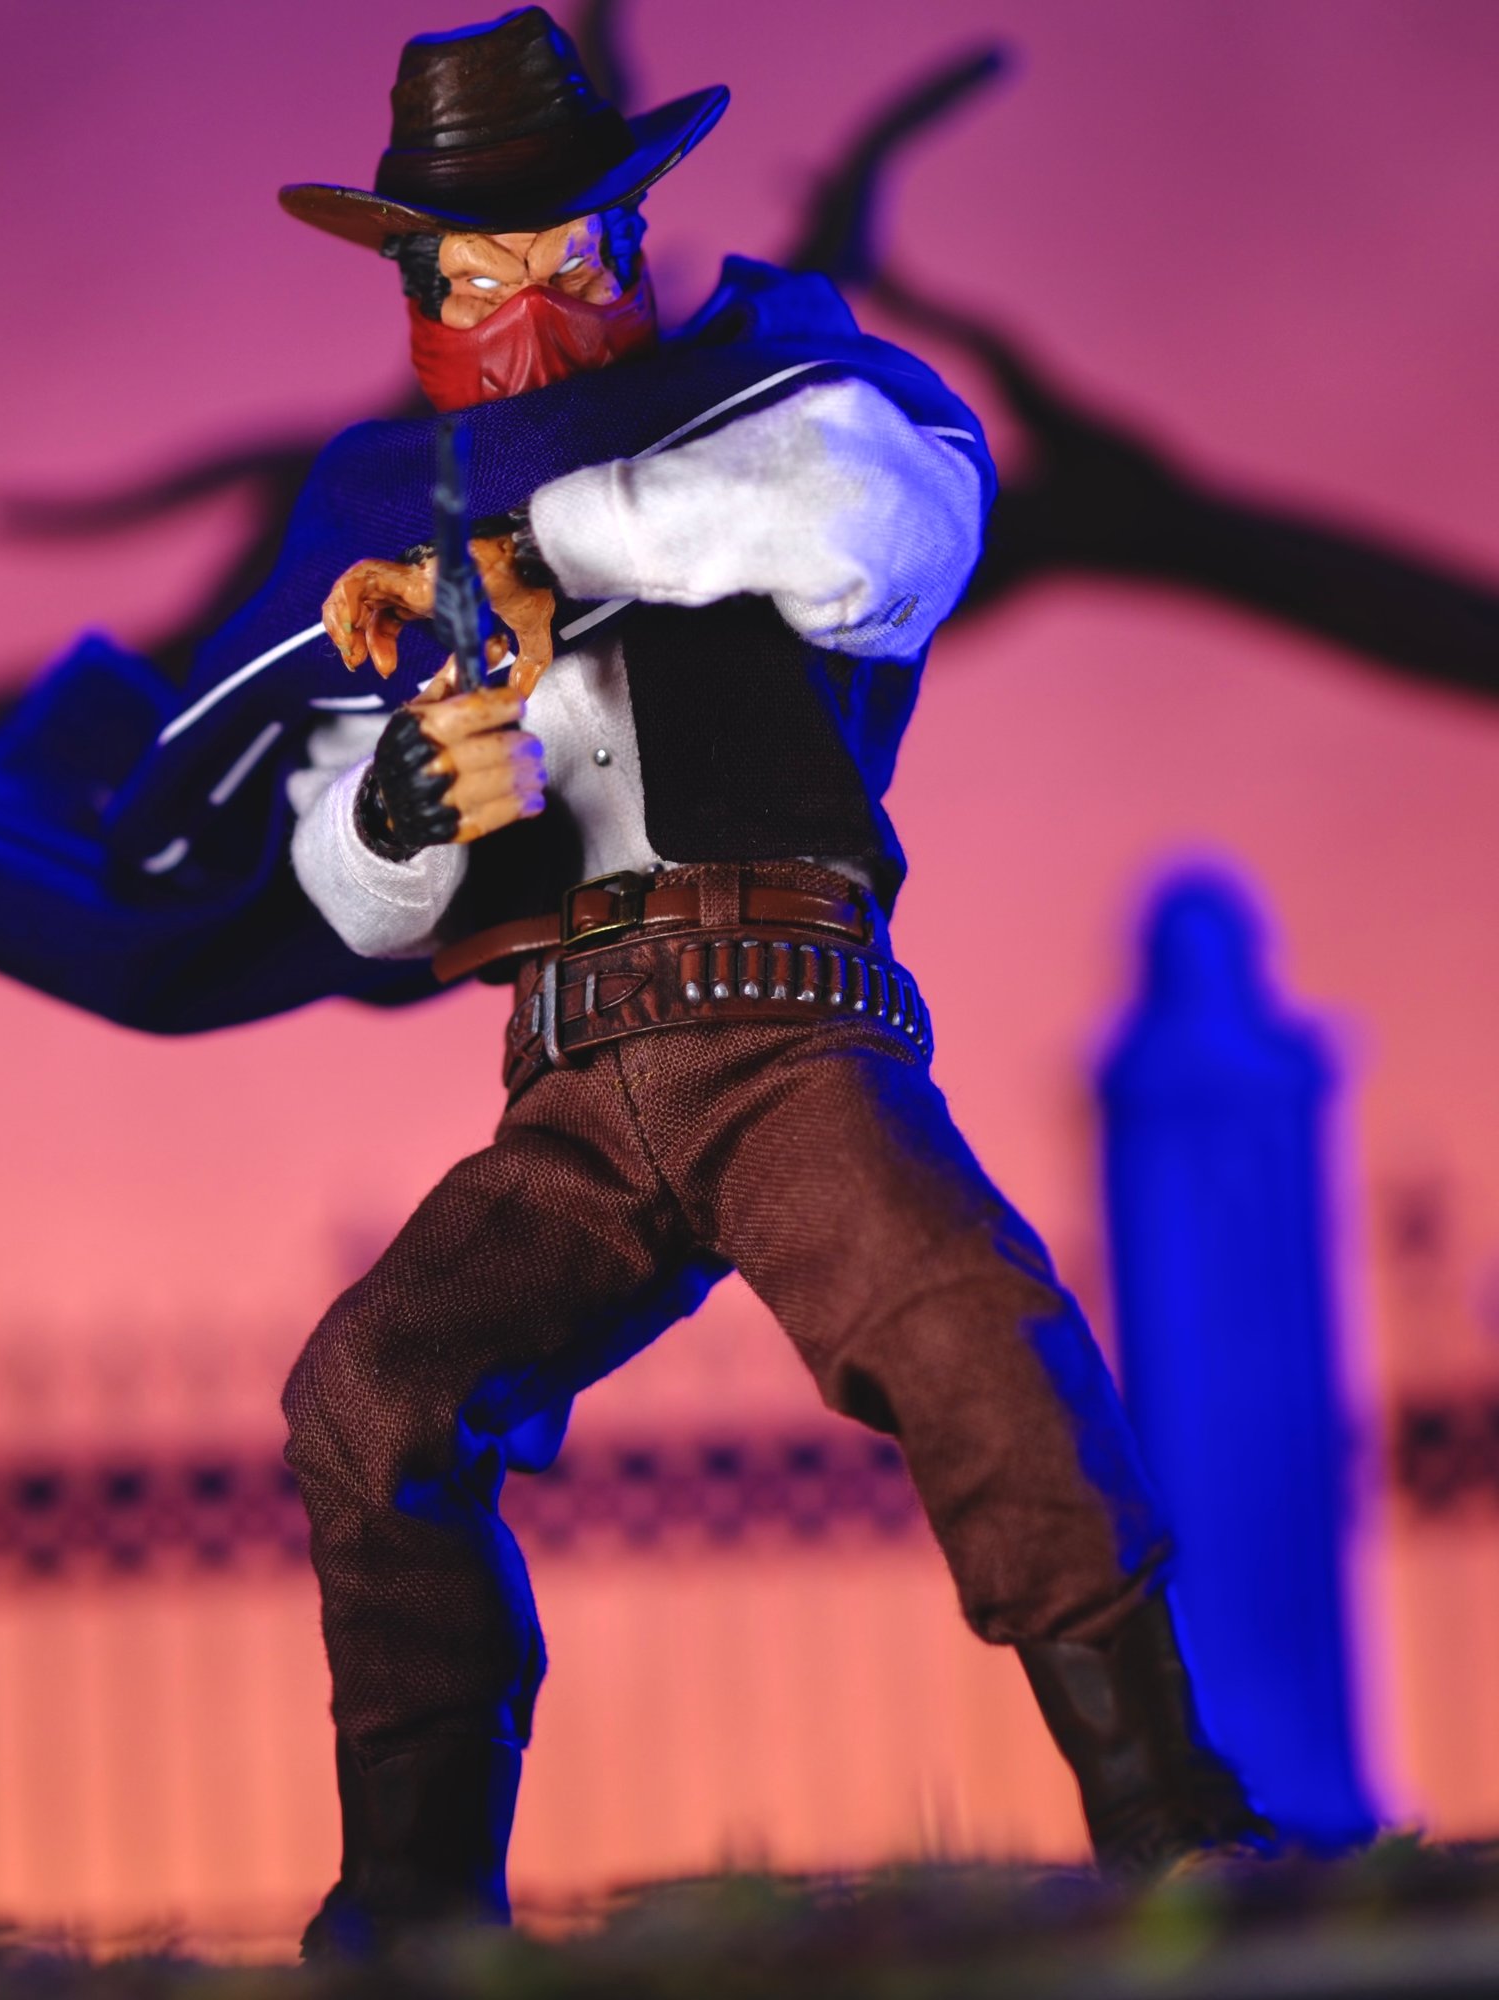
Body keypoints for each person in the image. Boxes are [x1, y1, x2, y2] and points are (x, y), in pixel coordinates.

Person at [262, 8, 1267, 1956]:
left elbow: (885, 524)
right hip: (567, 1083)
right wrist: (403, 801)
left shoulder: (775, 400)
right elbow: (341, 882)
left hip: (782, 1028)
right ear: (415, 285)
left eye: (565, 256)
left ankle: (1170, 1805)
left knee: (966, 1327)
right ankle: (412, 1895)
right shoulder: (384, 531)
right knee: (368, 1389)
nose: (523, 307)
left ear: (630, 243)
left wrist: (556, 537)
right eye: (473, 275)